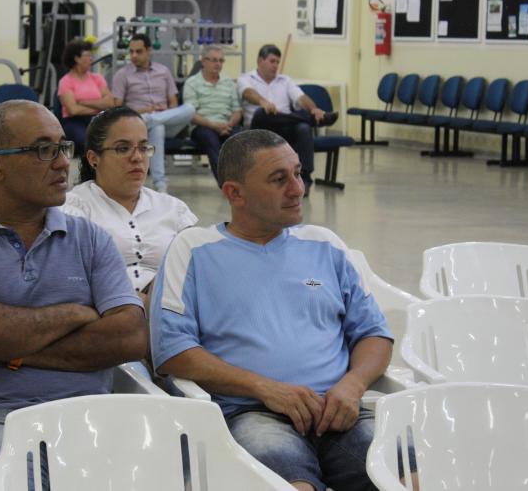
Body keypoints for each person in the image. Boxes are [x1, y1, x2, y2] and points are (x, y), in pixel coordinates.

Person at [0, 99, 148, 491]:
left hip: (90, 417)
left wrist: (7, 344)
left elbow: (130, 337)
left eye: (62, 147)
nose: (62, 163)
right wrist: (76, 313)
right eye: (43, 150)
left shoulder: (90, 239)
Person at [150, 129, 394, 491]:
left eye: (298, 173)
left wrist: (353, 385)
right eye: (279, 179)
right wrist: (265, 389)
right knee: (291, 486)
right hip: (251, 412)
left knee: (405, 478)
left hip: (337, 408)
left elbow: (374, 334)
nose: (298, 189)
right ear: (235, 193)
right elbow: (173, 351)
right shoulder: (194, 250)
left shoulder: (325, 245)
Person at [62, 107, 197, 307]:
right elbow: (69, 280)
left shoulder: (173, 208)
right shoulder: (75, 208)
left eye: (143, 147)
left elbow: (199, 270)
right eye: (123, 148)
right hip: (107, 313)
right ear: (93, 158)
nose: (137, 157)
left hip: (171, 310)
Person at [237, 44, 336, 197]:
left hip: (284, 127)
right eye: (272, 61)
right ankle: (312, 120)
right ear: (260, 60)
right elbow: (248, 93)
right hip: (258, 128)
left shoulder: (285, 80)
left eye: (277, 62)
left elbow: (301, 97)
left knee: (303, 128)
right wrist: (264, 102)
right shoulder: (246, 78)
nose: (275, 65)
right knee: (262, 113)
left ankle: (305, 179)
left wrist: (314, 109)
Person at [112, 33, 195, 194]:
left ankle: (151, 119)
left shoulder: (163, 71)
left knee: (190, 109)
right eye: (131, 51)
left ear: (149, 51)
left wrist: (162, 113)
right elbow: (118, 109)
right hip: (137, 124)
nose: (134, 55)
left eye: (139, 51)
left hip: (165, 120)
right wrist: (145, 111)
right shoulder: (122, 75)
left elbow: (173, 103)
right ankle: (160, 184)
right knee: (158, 128)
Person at [182, 45, 242, 184]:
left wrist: (229, 124)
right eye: (214, 60)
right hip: (202, 126)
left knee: (239, 140)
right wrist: (214, 125)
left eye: (221, 60)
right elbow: (191, 114)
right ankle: (225, 183)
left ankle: (241, 182)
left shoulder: (228, 82)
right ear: (204, 61)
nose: (218, 64)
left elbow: (237, 111)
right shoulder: (192, 83)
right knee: (210, 139)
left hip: (227, 125)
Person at [57, 37, 117, 152]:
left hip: (98, 118)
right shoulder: (65, 81)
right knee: (87, 141)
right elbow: (73, 110)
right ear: (77, 59)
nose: (91, 58)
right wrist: (99, 106)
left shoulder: (97, 78)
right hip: (74, 121)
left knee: (114, 138)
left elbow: (110, 103)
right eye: (88, 55)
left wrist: (83, 102)